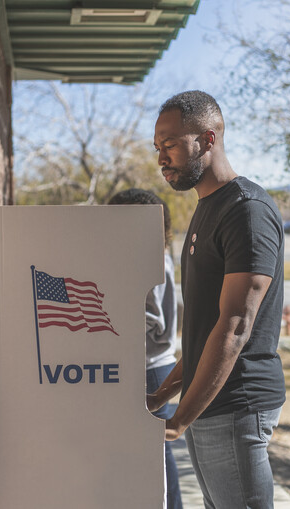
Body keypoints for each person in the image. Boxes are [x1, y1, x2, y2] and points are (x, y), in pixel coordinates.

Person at [147, 90, 286, 508]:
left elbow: (236, 326)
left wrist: (180, 420)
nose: (161, 159)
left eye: (170, 144)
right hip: (210, 406)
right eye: (157, 147)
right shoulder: (207, 209)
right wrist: (162, 396)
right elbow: (205, 329)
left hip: (236, 405)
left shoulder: (246, 210)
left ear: (207, 140)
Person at [107, 188, 183, 509]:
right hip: (151, 365)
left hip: (153, 369)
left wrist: (113, 315)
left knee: (158, 456)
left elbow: (154, 319)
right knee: (154, 454)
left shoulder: (152, 261)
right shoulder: (148, 256)